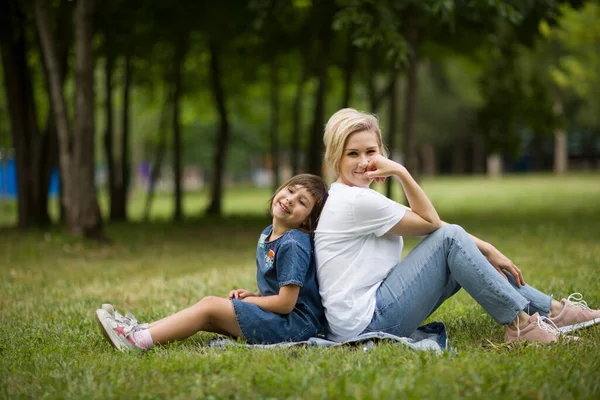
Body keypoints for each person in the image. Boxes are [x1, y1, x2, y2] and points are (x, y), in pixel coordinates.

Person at [314, 108, 600, 344]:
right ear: (335, 156)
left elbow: (435, 226)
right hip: (368, 323)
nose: (364, 162)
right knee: (452, 240)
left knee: (459, 247)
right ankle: (522, 326)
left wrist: (487, 249)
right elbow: (433, 224)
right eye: (353, 154)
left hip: (363, 316)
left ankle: (554, 312)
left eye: (371, 151)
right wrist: (401, 171)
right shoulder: (355, 203)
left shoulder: (354, 197)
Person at [96, 174, 329, 351]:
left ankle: (136, 341)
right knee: (207, 313)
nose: (289, 200)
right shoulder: (270, 232)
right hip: (281, 318)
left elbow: (287, 303)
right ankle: (140, 330)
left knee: (210, 307)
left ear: (307, 221)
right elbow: (280, 285)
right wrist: (255, 294)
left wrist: (251, 302)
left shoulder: (293, 244)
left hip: (294, 326)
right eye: (289, 190)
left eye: (301, 202)